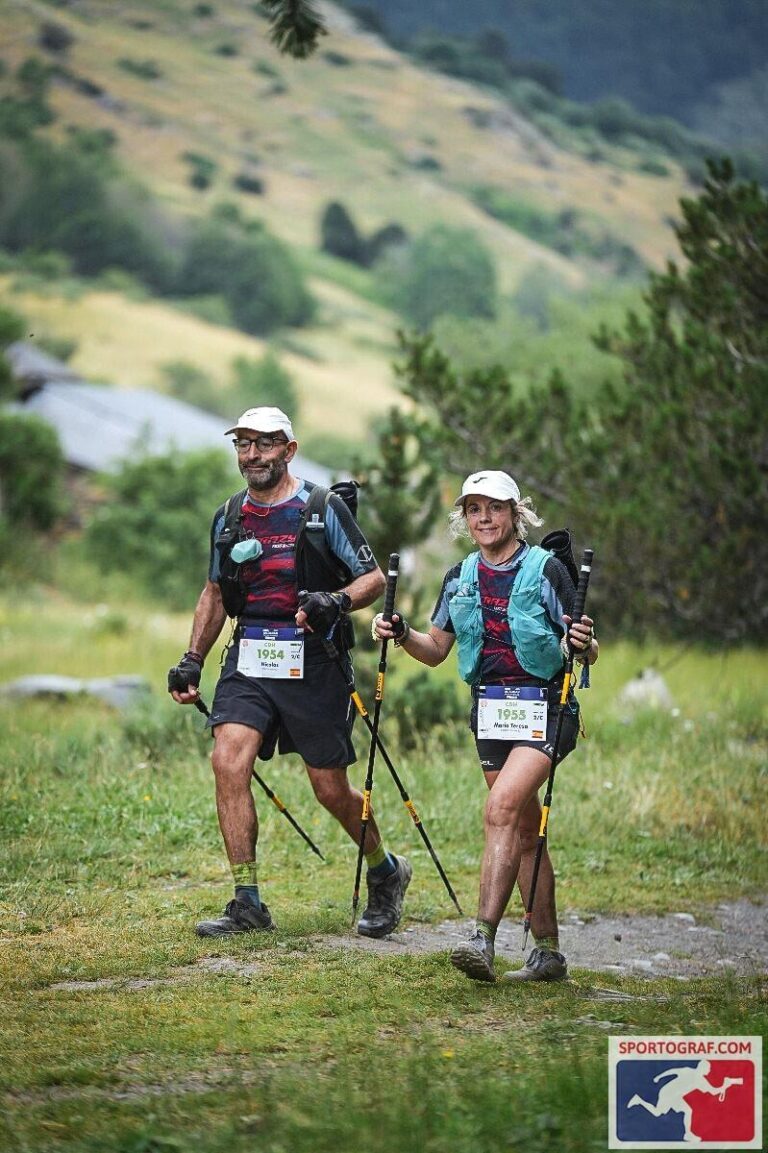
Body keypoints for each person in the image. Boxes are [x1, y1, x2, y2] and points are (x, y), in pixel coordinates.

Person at [169, 406, 411, 939]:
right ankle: (247, 902)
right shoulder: (229, 514)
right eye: (243, 444)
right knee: (227, 761)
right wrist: (193, 659)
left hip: (314, 660)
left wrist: (335, 600)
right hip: (250, 655)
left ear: (289, 449)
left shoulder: (322, 507)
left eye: (264, 443)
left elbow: (371, 579)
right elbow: (214, 592)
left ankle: (385, 870)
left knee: (329, 789)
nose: (252, 454)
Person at [372, 469, 597, 983]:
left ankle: (482, 939)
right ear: (465, 518)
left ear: (515, 514)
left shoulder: (547, 570)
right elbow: (435, 650)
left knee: (499, 810)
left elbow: (588, 648)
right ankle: (548, 954)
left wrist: (584, 645)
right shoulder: (459, 577)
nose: (484, 518)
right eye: (474, 509)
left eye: (495, 508)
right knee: (524, 831)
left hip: (548, 710)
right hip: (491, 715)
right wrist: (401, 632)